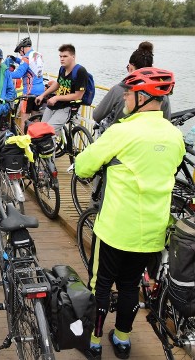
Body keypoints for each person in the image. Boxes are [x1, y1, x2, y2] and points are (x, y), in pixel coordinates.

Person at [75, 68, 183, 360]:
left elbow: (84, 166)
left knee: (100, 286)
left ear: (144, 97)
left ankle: (94, 342)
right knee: (129, 286)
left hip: (115, 227)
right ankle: (122, 340)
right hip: (151, 230)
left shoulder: (121, 131)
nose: (124, 95)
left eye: (129, 92)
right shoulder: (175, 135)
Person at [93, 41, 170, 128]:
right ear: (151, 67)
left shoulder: (118, 90)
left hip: (119, 137)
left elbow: (97, 115)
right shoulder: (162, 93)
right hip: (152, 139)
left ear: (131, 68)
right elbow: (166, 121)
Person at [35, 44, 88, 135]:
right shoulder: (62, 69)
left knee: (48, 132)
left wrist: (56, 98)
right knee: (41, 130)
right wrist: (42, 95)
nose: (62, 59)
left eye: (65, 56)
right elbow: (58, 84)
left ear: (73, 57)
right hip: (54, 104)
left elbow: (78, 95)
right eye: (60, 56)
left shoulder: (80, 71)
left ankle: (53, 147)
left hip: (67, 107)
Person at [11, 37, 45, 130]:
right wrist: (16, 59)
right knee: (36, 119)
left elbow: (18, 74)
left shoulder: (26, 58)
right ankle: (36, 140)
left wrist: (5, 74)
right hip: (40, 92)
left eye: (19, 51)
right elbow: (29, 64)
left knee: (24, 119)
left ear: (23, 48)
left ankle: (23, 141)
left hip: (29, 93)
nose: (20, 54)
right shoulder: (38, 55)